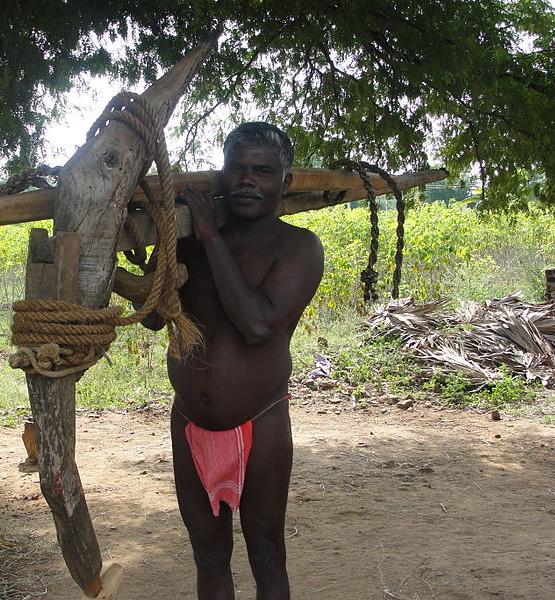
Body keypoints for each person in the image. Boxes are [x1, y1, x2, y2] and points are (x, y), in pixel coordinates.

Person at [142, 122, 324, 599]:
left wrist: (209, 235)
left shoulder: (299, 247)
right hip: (189, 424)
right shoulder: (186, 243)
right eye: (237, 169)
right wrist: (161, 248)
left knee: (266, 557)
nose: (247, 181)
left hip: (259, 425)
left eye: (262, 171)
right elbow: (153, 320)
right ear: (220, 177)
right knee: (208, 559)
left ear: (284, 183)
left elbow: (257, 325)